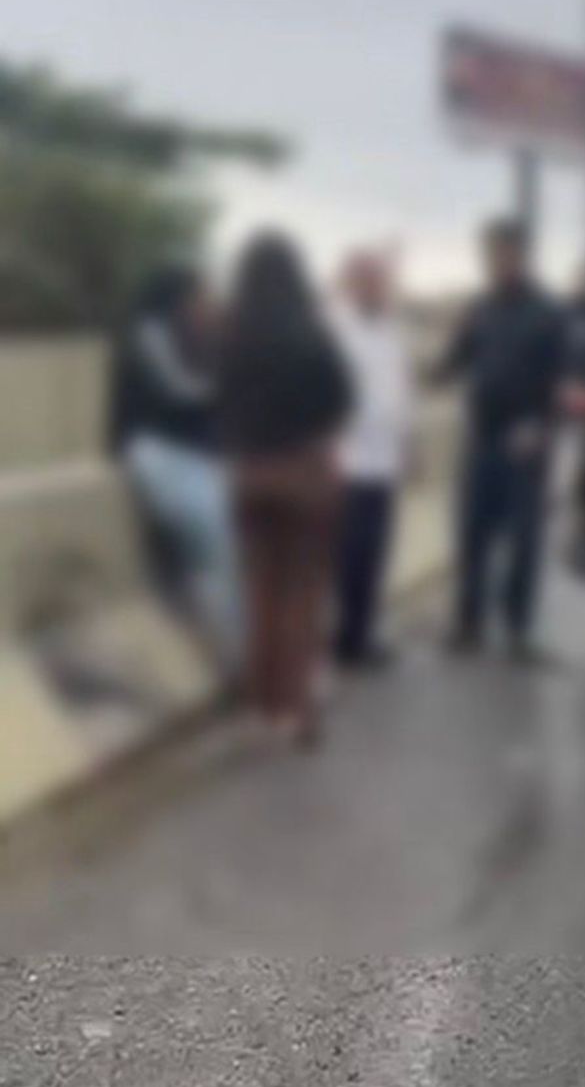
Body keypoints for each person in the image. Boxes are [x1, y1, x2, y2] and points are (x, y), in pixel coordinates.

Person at [218, 232, 352, 746]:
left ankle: (262, 706)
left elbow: (217, 403)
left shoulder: (230, 335)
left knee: (260, 595)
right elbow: (343, 399)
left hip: (248, 476)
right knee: (302, 596)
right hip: (303, 474)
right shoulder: (311, 332)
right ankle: (297, 711)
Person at [433, 217, 566, 658]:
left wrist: (542, 427)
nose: (496, 261)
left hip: (526, 441)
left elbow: (565, 382)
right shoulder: (479, 308)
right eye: (490, 253)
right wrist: (430, 371)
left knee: (524, 540)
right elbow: (454, 362)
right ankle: (469, 623)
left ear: (522, 255)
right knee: (472, 533)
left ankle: (519, 630)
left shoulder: (550, 312)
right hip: (482, 436)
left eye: (505, 252)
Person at [110, 264, 241, 672]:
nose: (206, 305)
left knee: (238, 545)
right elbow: (181, 393)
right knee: (219, 544)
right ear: (177, 301)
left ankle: (248, 655)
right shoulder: (148, 335)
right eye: (199, 297)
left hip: (198, 456)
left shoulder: (201, 339)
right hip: (155, 450)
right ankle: (238, 660)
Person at [329, 249, 413, 669]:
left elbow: (402, 391)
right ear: (351, 282)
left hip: (385, 461)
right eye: (366, 279)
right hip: (346, 461)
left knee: (375, 553)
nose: (376, 286)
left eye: (380, 279)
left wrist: (408, 446)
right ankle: (345, 639)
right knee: (347, 555)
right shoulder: (335, 328)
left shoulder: (392, 330)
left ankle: (362, 636)